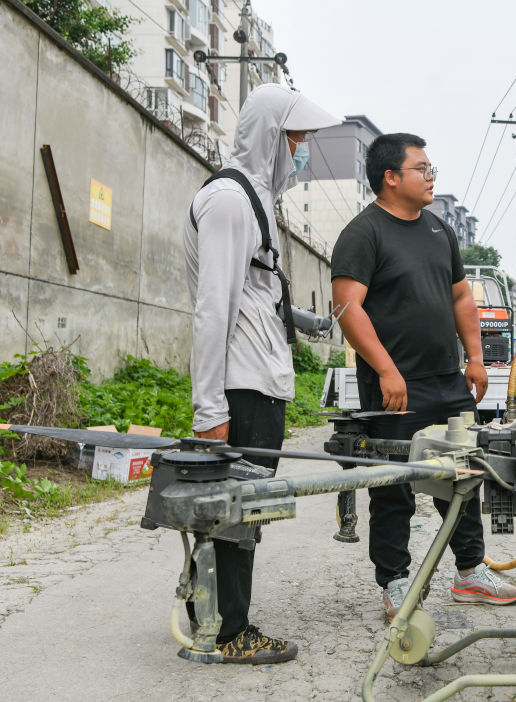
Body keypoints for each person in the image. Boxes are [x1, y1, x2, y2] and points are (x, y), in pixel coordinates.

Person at [330, 133, 516, 618]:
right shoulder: (364, 233)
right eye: (422, 169)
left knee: (463, 475)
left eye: (431, 168)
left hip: (447, 381)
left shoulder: (439, 229)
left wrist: (475, 357)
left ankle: (470, 572)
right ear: (391, 177)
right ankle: (395, 582)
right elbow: (348, 308)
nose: (431, 176)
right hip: (394, 386)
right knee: (393, 485)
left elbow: (461, 296)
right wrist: (387, 370)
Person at [184, 83, 339, 662]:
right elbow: (213, 309)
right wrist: (210, 408)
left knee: (243, 509)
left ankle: (211, 613)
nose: (301, 150)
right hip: (241, 387)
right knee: (238, 509)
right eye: (296, 139)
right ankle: (229, 632)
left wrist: (310, 323)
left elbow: (257, 296)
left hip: (260, 382)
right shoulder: (229, 200)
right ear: (271, 137)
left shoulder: (255, 201)